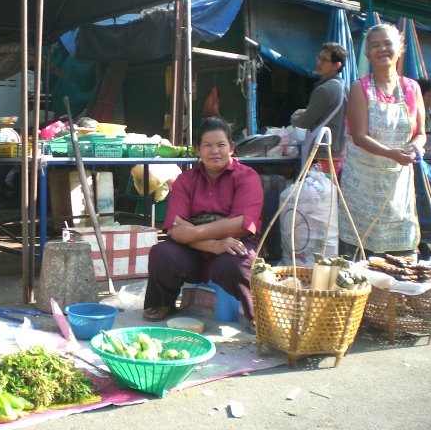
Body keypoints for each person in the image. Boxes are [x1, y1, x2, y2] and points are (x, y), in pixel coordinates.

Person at [142, 117, 263, 330]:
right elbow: (175, 230)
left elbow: (243, 225)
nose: (214, 151)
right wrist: (214, 244)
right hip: (195, 251)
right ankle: (163, 304)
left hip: (234, 243)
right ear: (198, 150)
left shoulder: (247, 177)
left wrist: (194, 231)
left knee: (236, 264)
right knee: (162, 253)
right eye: (207, 145)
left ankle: (258, 315)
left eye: (221, 145)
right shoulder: (185, 180)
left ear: (232, 148)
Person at [339, 24, 426, 259]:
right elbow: (359, 136)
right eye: (375, 45)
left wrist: (414, 146)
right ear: (367, 54)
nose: (382, 49)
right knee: (360, 254)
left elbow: (420, 132)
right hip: (362, 184)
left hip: (398, 183)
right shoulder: (360, 88)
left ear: (400, 48)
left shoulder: (412, 88)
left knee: (401, 256)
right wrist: (392, 153)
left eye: (387, 43)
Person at [291, 42, 348, 173]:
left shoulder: (324, 89)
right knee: (329, 191)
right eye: (319, 58)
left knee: (315, 191)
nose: (319, 63)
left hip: (320, 152)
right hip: (336, 152)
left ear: (337, 65)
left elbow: (304, 122)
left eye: (324, 60)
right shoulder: (345, 87)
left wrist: (294, 117)